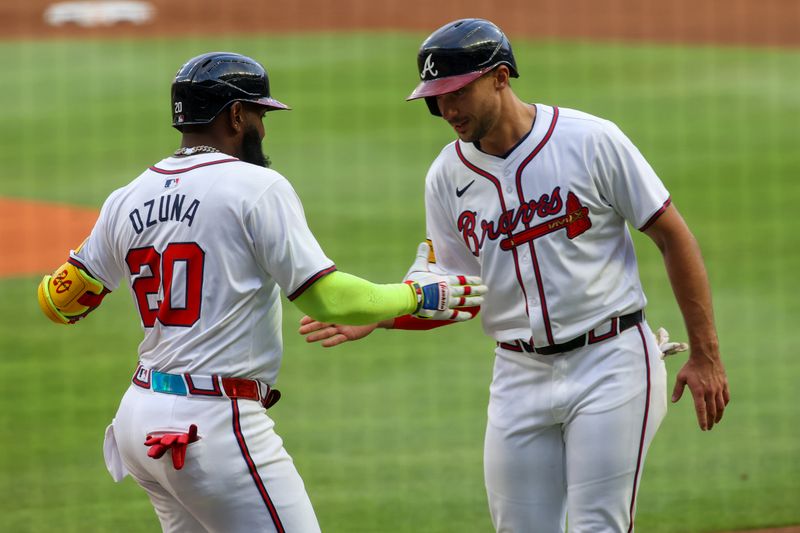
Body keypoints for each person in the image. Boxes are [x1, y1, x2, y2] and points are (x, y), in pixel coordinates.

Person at [299, 19, 729, 532]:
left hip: (610, 362)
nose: (448, 110)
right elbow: (461, 294)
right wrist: (384, 315)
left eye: (458, 92)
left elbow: (673, 236)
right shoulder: (446, 176)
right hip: (517, 376)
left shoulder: (590, 140)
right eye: (436, 98)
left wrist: (706, 355)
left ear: (501, 76)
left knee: (598, 525)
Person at [35, 52, 486, 533]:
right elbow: (328, 299)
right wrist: (419, 297)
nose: (262, 129)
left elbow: (59, 304)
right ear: (235, 116)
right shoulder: (256, 187)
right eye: (258, 115)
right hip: (211, 426)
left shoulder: (127, 197)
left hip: (138, 420)